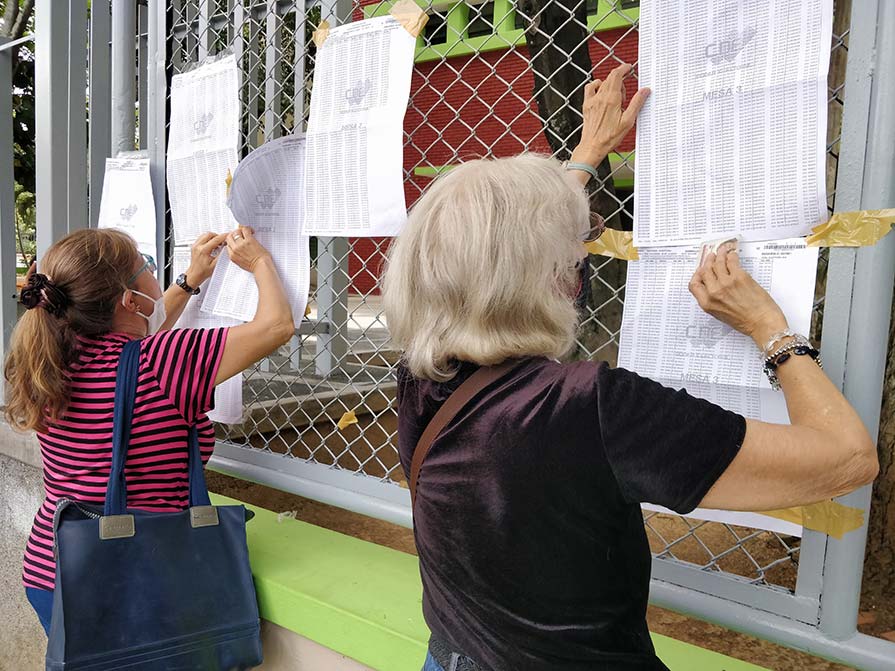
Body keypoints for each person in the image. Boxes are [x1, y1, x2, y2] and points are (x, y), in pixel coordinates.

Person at [382, 63, 879, 671]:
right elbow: (848, 458)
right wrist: (768, 329)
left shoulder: (419, 377)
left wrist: (587, 156)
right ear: (555, 278)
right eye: (578, 245)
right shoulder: (590, 407)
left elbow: (492, 257)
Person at [5, 225, 293, 635]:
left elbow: (136, 343)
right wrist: (260, 262)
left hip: (55, 571)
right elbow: (275, 326)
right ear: (128, 299)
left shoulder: (50, 358)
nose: (154, 273)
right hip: (139, 580)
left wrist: (190, 280)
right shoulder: (164, 362)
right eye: (148, 266)